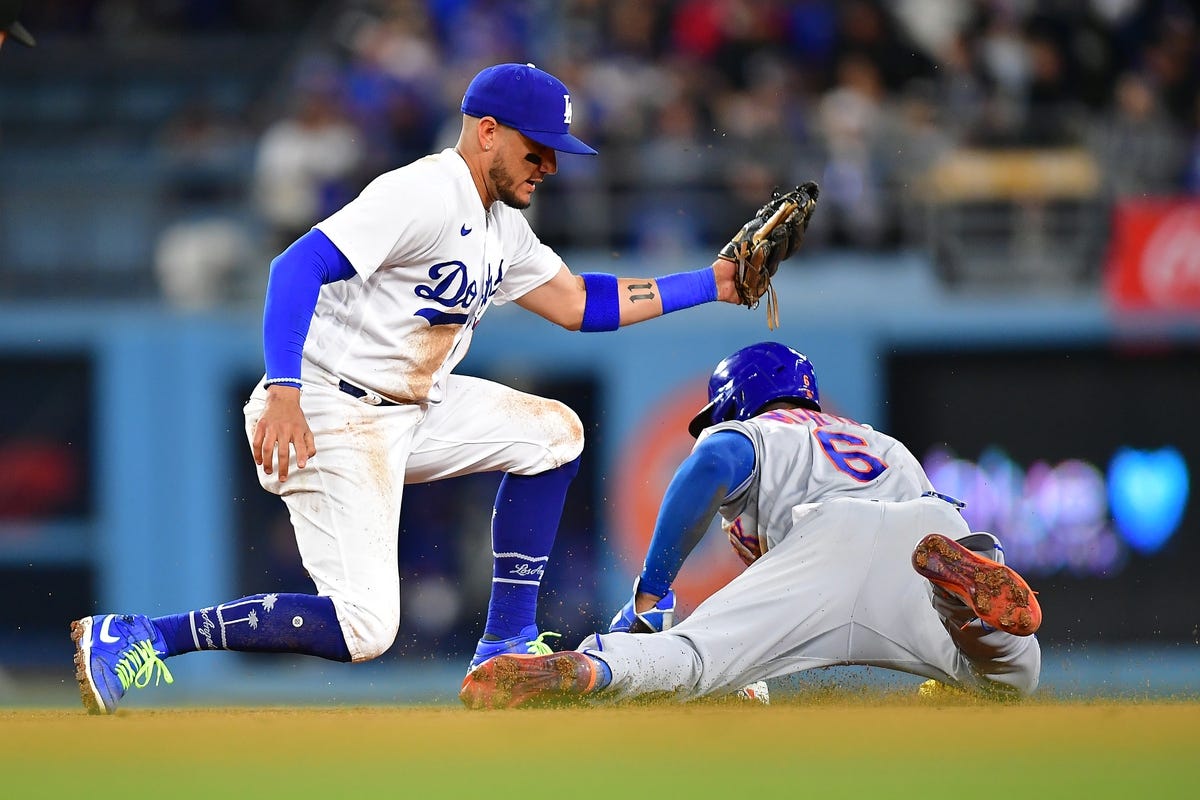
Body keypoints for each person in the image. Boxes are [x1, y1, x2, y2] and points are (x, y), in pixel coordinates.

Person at [70, 62, 764, 715]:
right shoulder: (424, 193)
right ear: (487, 131)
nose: (549, 165)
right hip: (327, 408)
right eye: (537, 149)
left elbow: (580, 302)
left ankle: (505, 646)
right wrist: (284, 387)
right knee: (365, 628)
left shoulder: (503, 225)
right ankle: (139, 636)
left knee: (555, 434)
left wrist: (715, 283)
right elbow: (294, 266)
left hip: (412, 408)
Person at [459, 341, 1043, 708]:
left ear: (737, 402)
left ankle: (585, 667)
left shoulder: (765, 429)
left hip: (830, 544)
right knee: (1010, 678)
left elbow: (712, 462)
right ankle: (963, 614)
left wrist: (652, 591)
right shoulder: (879, 441)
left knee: (693, 660)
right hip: (925, 532)